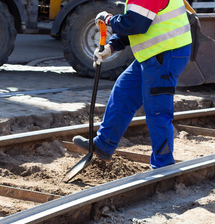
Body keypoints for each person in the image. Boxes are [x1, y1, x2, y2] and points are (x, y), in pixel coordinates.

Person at [73, 0, 192, 169]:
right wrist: (111, 46)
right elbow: (136, 19)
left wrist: (108, 20)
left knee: (157, 111)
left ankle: (164, 166)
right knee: (123, 93)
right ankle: (104, 145)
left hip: (166, 54)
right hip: (152, 53)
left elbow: (135, 24)